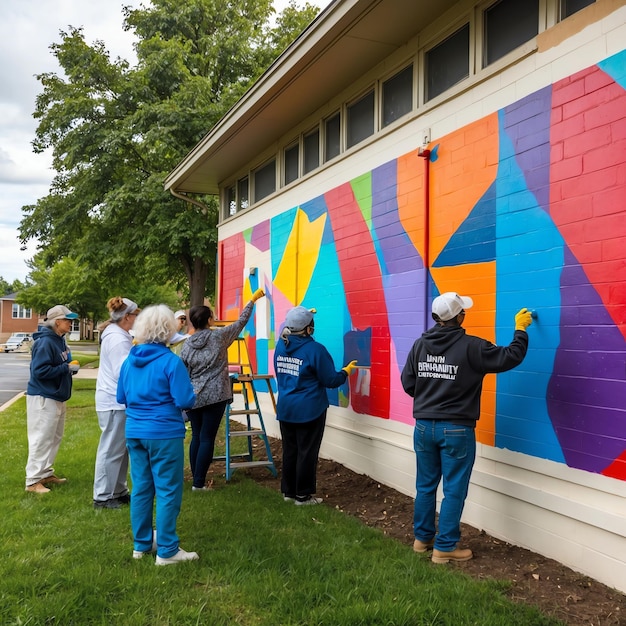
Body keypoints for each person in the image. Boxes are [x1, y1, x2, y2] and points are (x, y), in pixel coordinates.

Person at [401, 292, 532, 564]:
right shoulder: (472, 347)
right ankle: (445, 547)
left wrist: (430, 396)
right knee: (454, 489)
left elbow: (408, 384)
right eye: (464, 311)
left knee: (425, 486)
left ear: (437, 318)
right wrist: (520, 329)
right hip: (456, 430)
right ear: (459, 316)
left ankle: (422, 539)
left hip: (424, 427)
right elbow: (510, 357)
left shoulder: (419, 345)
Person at [116, 304, 198, 565]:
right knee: (167, 490)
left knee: (141, 488)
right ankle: (167, 550)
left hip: (135, 432)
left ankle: (141, 545)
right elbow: (186, 399)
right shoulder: (171, 361)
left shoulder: (130, 361)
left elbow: (121, 397)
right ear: (168, 330)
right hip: (164, 433)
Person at [180, 289, 265, 491]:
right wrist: (252, 301)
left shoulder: (186, 346)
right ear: (209, 320)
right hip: (216, 396)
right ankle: (199, 483)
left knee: (197, 437)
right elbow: (240, 323)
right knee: (207, 438)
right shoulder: (219, 337)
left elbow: (183, 372)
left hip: (193, 397)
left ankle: (196, 479)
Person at [274, 306, 357, 506]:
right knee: (306, 453)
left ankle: (289, 492)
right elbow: (330, 380)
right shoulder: (315, 350)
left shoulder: (281, 345)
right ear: (308, 328)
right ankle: (303, 496)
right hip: (309, 411)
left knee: (291, 450)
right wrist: (346, 372)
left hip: (286, 408)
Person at [25, 305, 80, 494]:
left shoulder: (60, 341)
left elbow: (60, 364)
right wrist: (65, 368)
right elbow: (39, 371)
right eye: (68, 320)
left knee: (53, 437)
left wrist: (68, 367)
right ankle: (32, 481)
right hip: (43, 396)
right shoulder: (46, 342)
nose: (71, 323)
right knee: (41, 438)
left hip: (56, 395)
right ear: (57, 322)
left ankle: (45, 473)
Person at [93, 297, 140, 510]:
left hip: (116, 401)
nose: (138, 318)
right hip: (114, 401)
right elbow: (123, 372)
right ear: (127, 317)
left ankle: (118, 490)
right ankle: (102, 496)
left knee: (121, 450)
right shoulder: (118, 339)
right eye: (136, 314)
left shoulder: (120, 335)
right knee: (111, 450)